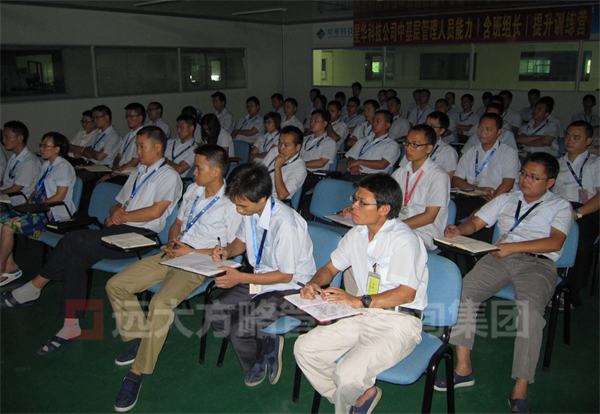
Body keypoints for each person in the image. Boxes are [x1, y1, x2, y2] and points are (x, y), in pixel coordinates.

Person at [0, 126, 183, 357]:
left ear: (157, 147)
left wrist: (123, 216)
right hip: (120, 229)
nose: (137, 151)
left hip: (141, 237)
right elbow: (119, 204)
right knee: (76, 256)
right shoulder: (138, 172)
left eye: (141, 146)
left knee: (74, 239)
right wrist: (115, 212)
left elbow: (156, 212)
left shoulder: (168, 176)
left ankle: (33, 288)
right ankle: (70, 326)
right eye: (137, 146)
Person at [434, 152, 573, 414]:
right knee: (463, 293)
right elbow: (476, 222)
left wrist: (513, 247)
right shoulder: (507, 199)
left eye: (534, 177)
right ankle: (463, 368)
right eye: (524, 174)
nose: (525, 180)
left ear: (550, 182)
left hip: (538, 264)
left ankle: (520, 386)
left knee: (530, 313)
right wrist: (459, 230)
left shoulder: (560, 206)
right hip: (498, 258)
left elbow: (555, 242)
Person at [106, 145, 241, 412]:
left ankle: (137, 372)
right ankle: (142, 338)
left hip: (201, 263)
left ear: (216, 171)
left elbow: (229, 249)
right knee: (116, 285)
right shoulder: (193, 190)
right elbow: (178, 223)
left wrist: (190, 251)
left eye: (198, 167)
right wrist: (172, 242)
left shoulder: (232, 204)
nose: (193, 172)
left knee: (160, 303)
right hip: (174, 253)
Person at [294, 173, 429, 414]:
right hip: (365, 314)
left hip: (399, 322)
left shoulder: (404, 240)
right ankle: (354, 398)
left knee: (347, 373)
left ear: (384, 209)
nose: (353, 206)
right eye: (354, 199)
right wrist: (314, 283)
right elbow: (330, 268)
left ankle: (349, 401)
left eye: (362, 202)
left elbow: (406, 293)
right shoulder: (356, 234)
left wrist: (358, 301)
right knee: (304, 348)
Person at [207, 162, 316, 387]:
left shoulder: (286, 224)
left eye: (242, 206)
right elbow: (241, 241)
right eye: (236, 204)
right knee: (215, 312)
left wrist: (240, 278)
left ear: (263, 198)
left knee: (240, 329)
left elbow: (285, 276)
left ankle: (256, 357)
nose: (239, 210)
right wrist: (228, 251)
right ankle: (264, 347)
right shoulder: (251, 210)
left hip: (290, 288)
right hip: (261, 278)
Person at [1, 132, 75, 286]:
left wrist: (35, 206)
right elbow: (38, 189)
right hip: (38, 209)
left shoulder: (64, 168)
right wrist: (28, 203)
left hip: (51, 213)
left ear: (57, 149)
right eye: (41, 145)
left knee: (8, 228)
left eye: (46, 146)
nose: (41, 148)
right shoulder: (46, 165)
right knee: (1, 222)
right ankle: (10, 265)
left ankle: (1, 268)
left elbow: (59, 196)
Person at [553, 121, 599, 307]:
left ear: (588, 141)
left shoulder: (596, 163)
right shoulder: (556, 163)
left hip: (587, 210)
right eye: (568, 136)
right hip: (559, 207)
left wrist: (577, 213)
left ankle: (571, 291)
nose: (569, 140)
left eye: (576, 137)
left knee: (580, 240)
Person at [453, 113, 519, 222]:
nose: (482, 132)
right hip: (474, 196)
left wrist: (486, 206)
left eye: (488, 129)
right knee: (449, 210)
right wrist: (478, 189)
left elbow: (507, 184)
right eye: (480, 128)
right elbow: (456, 179)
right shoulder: (471, 152)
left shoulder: (508, 153)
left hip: (498, 198)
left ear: (499, 132)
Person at [343, 110, 401, 182]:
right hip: (353, 173)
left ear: (387, 125)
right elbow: (351, 157)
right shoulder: (364, 140)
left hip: (372, 178)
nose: (374, 123)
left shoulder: (391, 145)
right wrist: (352, 166)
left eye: (378, 121)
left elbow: (382, 164)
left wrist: (358, 161)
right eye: (374, 120)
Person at [96, 102, 145, 185]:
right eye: (127, 116)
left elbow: (134, 163)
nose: (128, 119)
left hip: (129, 174)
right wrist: (115, 166)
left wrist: (113, 174)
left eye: (131, 116)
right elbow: (118, 156)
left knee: (100, 185)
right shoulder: (128, 135)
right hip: (119, 171)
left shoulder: (143, 136)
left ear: (140, 118)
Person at [399, 112, 457, 179]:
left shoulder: (448, 152)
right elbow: (402, 169)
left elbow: (448, 178)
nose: (427, 129)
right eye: (426, 125)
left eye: (432, 126)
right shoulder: (413, 146)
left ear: (441, 131)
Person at [257, 126, 307, 202]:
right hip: (257, 193)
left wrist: (277, 167)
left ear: (297, 147)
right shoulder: (274, 151)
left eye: (286, 145)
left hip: (273, 201)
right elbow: (259, 172)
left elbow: (282, 196)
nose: (281, 147)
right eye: (279, 142)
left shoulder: (300, 168)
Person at [0, 121, 42, 207]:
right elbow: (5, 182)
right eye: (3, 137)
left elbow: (16, 188)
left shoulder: (29, 162)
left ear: (20, 138)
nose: (3, 140)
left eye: (8, 137)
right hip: (5, 198)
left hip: (16, 202)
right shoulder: (14, 158)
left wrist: (1, 192)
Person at [300, 110, 337, 197]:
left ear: (325, 123)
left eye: (316, 120)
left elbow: (321, 162)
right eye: (311, 120)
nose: (312, 123)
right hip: (299, 170)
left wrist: (299, 164)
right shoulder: (305, 139)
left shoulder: (329, 142)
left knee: (296, 184)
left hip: (313, 174)